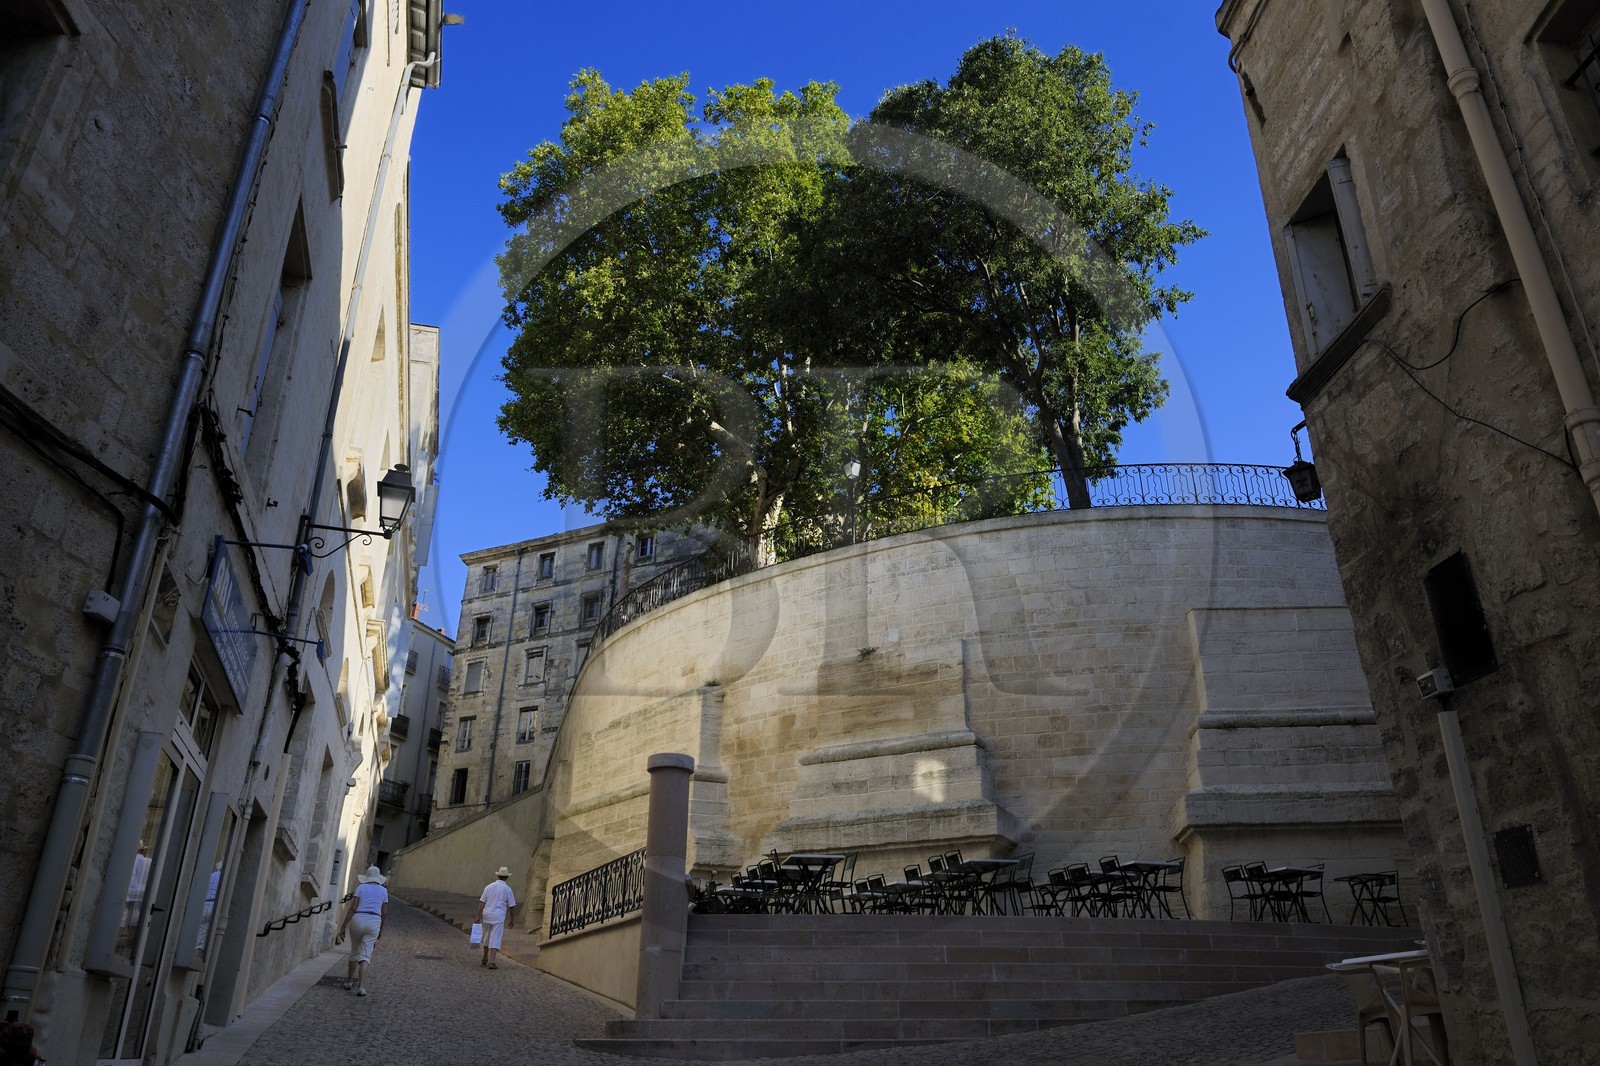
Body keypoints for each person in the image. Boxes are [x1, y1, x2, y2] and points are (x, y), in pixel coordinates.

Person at [336, 865, 388, 996]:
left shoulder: (361, 888)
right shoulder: (383, 891)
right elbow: (384, 913)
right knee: (366, 955)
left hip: (358, 918)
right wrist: (380, 930)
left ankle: (348, 982)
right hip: (374, 921)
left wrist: (343, 926)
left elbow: (353, 908)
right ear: (378, 878)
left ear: (367, 877)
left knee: (355, 950)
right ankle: (361, 987)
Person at [475, 865, 517, 969]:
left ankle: (484, 957)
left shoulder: (489, 887)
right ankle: (492, 961)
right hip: (498, 916)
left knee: (487, 935)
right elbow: (511, 906)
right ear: (507, 877)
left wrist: (478, 915)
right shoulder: (507, 889)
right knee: (496, 937)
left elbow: (482, 902)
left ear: (498, 876)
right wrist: (512, 919)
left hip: (487, 914)